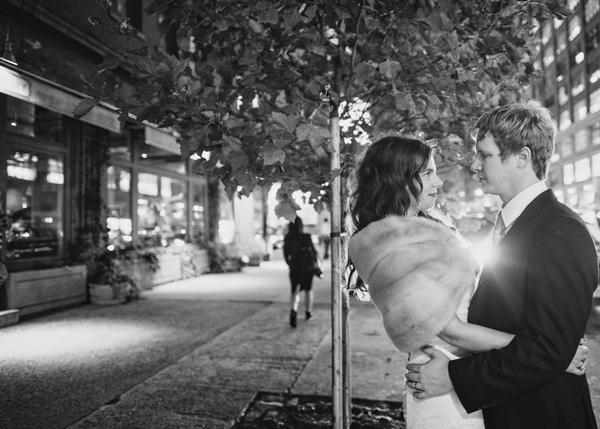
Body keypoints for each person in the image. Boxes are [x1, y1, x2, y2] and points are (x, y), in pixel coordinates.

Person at [345, 133, 588, 429]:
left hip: (463, 378)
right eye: (428, 173)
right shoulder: (393, 245)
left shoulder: (420, 230)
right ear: (398, 179)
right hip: (442, 385)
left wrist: (549, 350)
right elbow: (451, 330)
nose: (438, 182)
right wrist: (555, 354)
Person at [405, 101, 598, 429]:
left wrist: (454, 376)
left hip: (544, 415)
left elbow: (547, 350)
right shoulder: (515, 224)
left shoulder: (558, 230)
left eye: (484, 154)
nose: (474, 164)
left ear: (522, 157)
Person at [283, 217, 319, 328]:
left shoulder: (288, 238)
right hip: (307, 269)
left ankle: (293, 311)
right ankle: (308, 312)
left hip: (294, 269)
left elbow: (286, 255)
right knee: (308, 290)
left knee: (295, 291)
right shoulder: (306, 237)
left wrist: (290, 264)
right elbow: (313, 253)